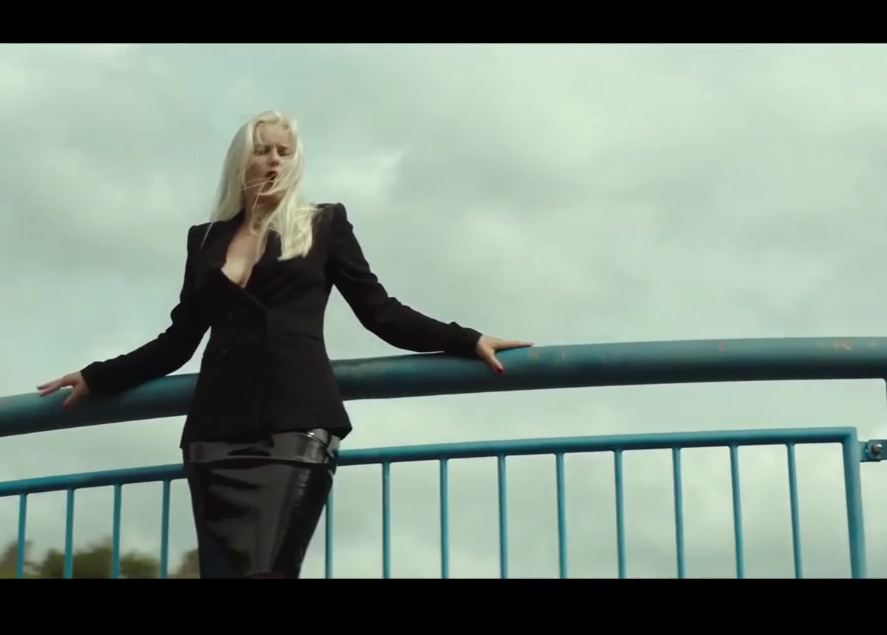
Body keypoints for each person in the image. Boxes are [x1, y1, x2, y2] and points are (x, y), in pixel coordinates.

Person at [37, 110, 532, 578]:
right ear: (241, 161)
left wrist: (467, 339)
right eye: (262, 150)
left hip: (294, 426)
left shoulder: (323, 223)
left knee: (268, 566)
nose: (274, 160)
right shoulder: (205, 239)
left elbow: (380, 311)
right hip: (214, 434)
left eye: (284, 151)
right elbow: (178, 342)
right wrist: (97, 376)